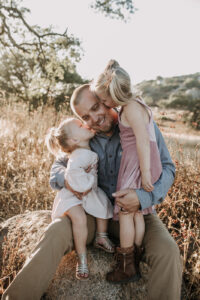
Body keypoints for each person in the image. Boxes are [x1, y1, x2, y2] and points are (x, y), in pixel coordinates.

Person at [2, 84, 182, 300]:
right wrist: (68, 181)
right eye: (86, 117)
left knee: (168, 252)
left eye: (97, 107)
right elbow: (57, 168)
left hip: (138, 213)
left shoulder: (136, 122)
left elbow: (168, 167)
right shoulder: (84, 136)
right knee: (57, 231)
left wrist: (143, 198)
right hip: (94, 214)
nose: (94, 118)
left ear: (106, 101)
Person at [90, 59, 163, 283]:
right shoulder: (135, 104)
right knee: (137, 212)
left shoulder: (130, 108)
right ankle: (136, 255)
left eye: (103, 99)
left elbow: (142, 140)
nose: (103, 103)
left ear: (114, 94)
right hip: (141, 163)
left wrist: (145, 172)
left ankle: (126, 264)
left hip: (138, 164)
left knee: (125, 212)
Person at [45, 117, 114, 280]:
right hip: (74, 195)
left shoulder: (87, 147)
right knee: (79, 218)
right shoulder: (77, 156)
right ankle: (82, 258)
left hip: (88, 193)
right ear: (74, 139)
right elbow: (73, 178)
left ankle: (101, 236)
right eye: (80, 125)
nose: (86, 124)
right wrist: (89, 182)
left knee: (103, 203)